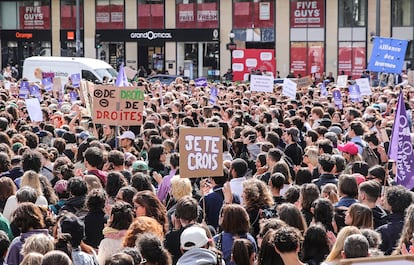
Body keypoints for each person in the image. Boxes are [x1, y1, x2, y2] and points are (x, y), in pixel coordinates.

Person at [376, 185, 413, 255]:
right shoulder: (410, 226)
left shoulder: (382, 231)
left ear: (390, 204)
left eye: (385, 198)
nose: (383, 200)